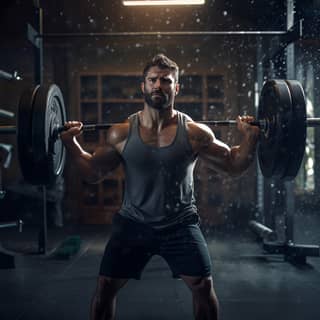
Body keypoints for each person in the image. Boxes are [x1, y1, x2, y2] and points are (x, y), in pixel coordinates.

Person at [60, 54, 260, 320]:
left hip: (180, 224)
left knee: (203, 286)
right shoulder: (121, 133)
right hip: (133, 223)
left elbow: (234, 164)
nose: (158, 85)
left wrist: (251, 138)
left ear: (175, 88)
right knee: (106, 287)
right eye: (152, 80)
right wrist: (70, 144)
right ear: (143, 86)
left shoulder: (194, 133)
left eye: (165, 81)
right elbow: (93, 172)